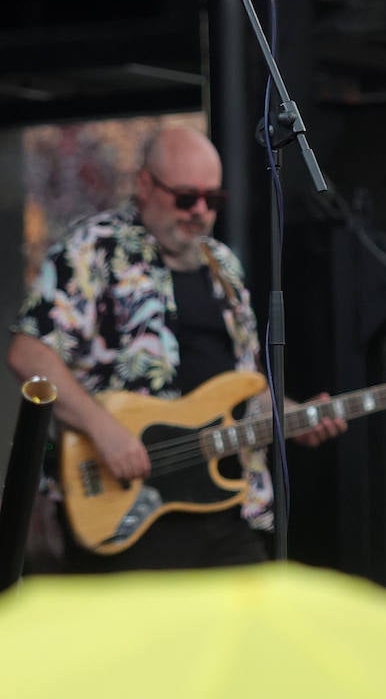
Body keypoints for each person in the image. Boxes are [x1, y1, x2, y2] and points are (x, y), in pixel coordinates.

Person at [6, 125, 343, 572]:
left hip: (225, 507)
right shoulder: (93, 251)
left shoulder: (222, 265)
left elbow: (242, 387)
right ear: (145, 185)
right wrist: (104, 430)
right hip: (129, 508)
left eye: (212, 200)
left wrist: (293, 416)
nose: (200, 212)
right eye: (186, 198)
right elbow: (29, 355)